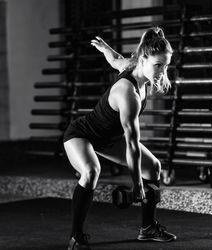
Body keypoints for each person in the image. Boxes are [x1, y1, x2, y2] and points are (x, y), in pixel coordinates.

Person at [63, 27, 176, 250]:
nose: (162, 71)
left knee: (153, 167)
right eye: (158, 65)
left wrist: (105, 48)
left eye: (166, 65)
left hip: (108, 138)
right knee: (91, 171)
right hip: (82, 135)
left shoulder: (132, 66)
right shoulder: (128, 93)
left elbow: (115, 59)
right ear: (143, 59)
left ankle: (148, 228)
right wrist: (137, 185)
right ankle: (76, 236)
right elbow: (132, 143)